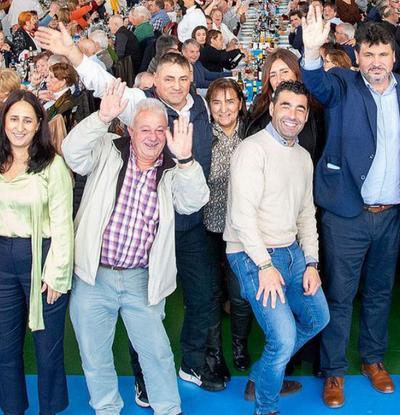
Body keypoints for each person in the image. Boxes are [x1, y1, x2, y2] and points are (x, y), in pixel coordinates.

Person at [36, 24, 226, 398]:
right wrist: (72, 51)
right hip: (151, 229)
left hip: (190, 221)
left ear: (192, 77)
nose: (176, 85)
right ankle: (142, 377)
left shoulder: (200, 105)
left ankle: (190, 361)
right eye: (168, 79)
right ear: (155, 80)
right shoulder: (142, 105)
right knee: (146, 314)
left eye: (182, 78)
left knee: (204, 297)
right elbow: (102, 83)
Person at [299, 5, 400, 408]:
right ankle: (334, 371)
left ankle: (372, 360)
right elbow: (314, 84)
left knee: (380, 293)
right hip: (346, 215)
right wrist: (312, 51)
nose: (375, 62)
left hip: (390, 216)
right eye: (368, 55)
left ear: (393, 57)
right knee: (339, 294)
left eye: (383, 54)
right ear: (357, 57)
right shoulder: (342, 84)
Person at [62, 82, 209, 415]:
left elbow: (194, 201)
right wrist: (100, 118)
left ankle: (168, 409)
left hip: (141, 281)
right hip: (93, 276)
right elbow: (72, 152)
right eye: (145, 129)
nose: (153, 136)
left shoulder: (172, 170)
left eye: (160, 130)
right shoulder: (108, 149)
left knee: (156, 354)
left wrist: (186, 160)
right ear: (130, 130)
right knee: (94, 354)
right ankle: (106, 408)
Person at [225, 80, 330, 414]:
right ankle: (265, 406)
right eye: (286, 106)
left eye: (300, 109)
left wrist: (311, 262)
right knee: (282, 338)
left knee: (318, 317)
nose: (293, 115)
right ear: (271, 108)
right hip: (251, 254)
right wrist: (264, 266)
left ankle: (263, 373)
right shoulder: (251, 150)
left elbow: (305, 215)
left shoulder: (301, 157)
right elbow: (242, 217)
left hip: (290, 252)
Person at [0, 90, 73, 415]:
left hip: (41, 260)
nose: (19, 126)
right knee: (5, 349)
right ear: (4, 122)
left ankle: (49, 409)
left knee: (48, 351)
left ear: (38, 125)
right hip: (2, 261)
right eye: (13, 119)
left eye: (27, 120)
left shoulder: (52, 165)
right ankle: (12, 408)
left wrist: (57, 273)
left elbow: (62, 224)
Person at [202, 78, 251, 374]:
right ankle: (214, 350)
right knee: (209, 295)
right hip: (207, 225)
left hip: (240, 229)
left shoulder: (251, 135)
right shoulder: (203, 137)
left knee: (240, 292)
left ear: (240, 104)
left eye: (230, 101)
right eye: (217, 102)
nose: (224, 108)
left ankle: (240, 344)